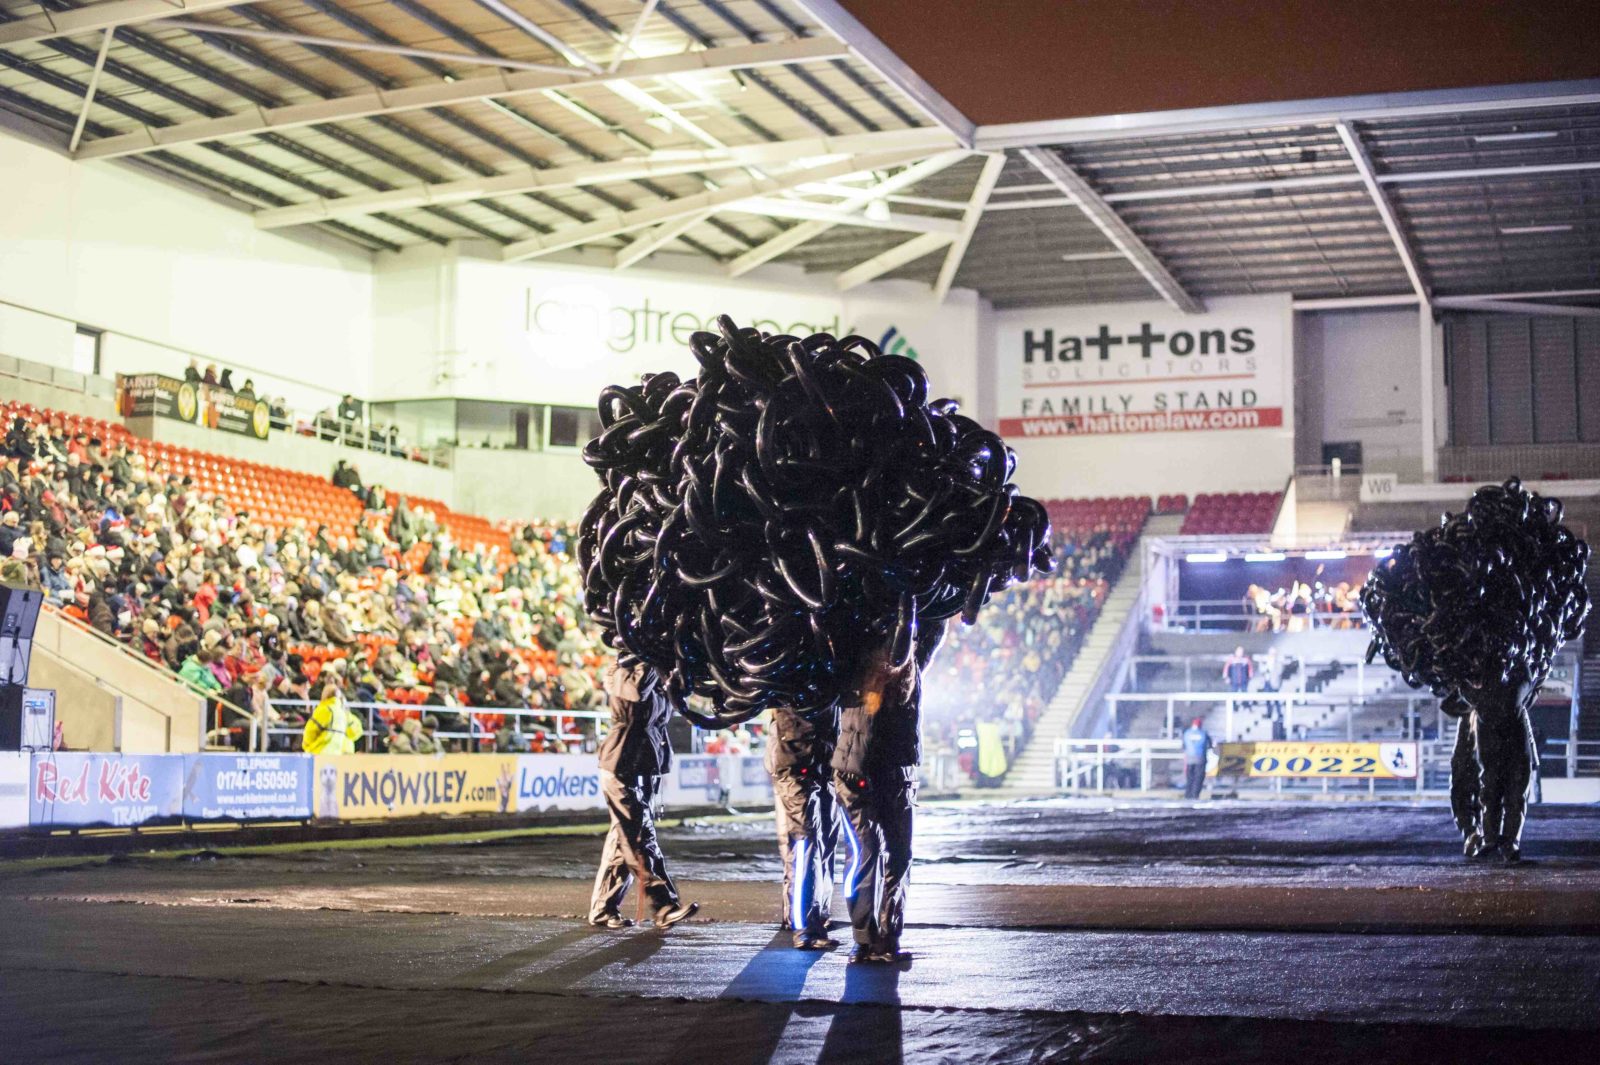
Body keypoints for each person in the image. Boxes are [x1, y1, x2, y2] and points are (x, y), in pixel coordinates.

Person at [832, 625, 943, 966]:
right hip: (885, 772)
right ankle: (883, 938)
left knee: (868, 855)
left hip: (861, 772)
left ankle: (868, 939)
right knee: (892, 855)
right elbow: (934, 632)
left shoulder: (853, 667)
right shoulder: (901, 671)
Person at [589, 657, 698, 931]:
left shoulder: (656, 674)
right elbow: (636, 691)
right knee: (638, 837)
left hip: (645, 767)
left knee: (622, 842)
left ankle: (603, 909)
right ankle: (663, 905)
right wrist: (652, 659)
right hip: (620, 763)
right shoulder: (618, 672)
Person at [767, 703, 840, 950]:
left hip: (824, 762)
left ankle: (814, 914)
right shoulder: (787, 670)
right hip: (796, 762)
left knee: (822, 841)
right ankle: (805, 927)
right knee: (805, 842)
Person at [303, 683, 364, 755]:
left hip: (322, 753)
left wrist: (308, 747)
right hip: (344, 754)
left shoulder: (324, 710)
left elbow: (310, 732)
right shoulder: (346, 714)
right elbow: (357, 732)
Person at [1181, 717, 1212, 800]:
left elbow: (1184, 746)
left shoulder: (1186, 733)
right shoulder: (1204, 733)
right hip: (1200, 758)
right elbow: (1209, 745)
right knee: (1198, 778)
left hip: (1189, 759)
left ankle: (1188, 795)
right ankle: (1195, 795)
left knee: (1190, 778)